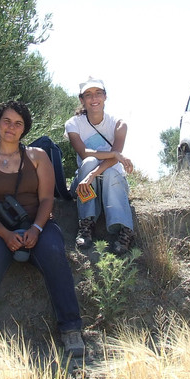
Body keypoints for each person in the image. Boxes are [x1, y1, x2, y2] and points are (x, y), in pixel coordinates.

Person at [0, 101, 85, 357]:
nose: (11, 127)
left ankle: (71, 329)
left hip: (37, 224)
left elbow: (46, 200)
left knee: (55, 252)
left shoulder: (38, 157)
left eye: (18, 123)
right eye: (7, 121)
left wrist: (36, 229)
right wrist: (5, 235)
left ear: (24, 129)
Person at [65, 77, 135, 255]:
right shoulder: (73, 124)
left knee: (111, 172)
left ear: (105, 96)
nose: (93, 98)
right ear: (82, 100)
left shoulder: (118, 124)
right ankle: (86, 224)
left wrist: (94, 174)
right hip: (84, 179)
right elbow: (84, 153)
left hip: (109, 178)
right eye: (88, 95)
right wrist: (113, 154)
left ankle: (125, 231)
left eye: (98, 93)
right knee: (88, 163)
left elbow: (113, 161)